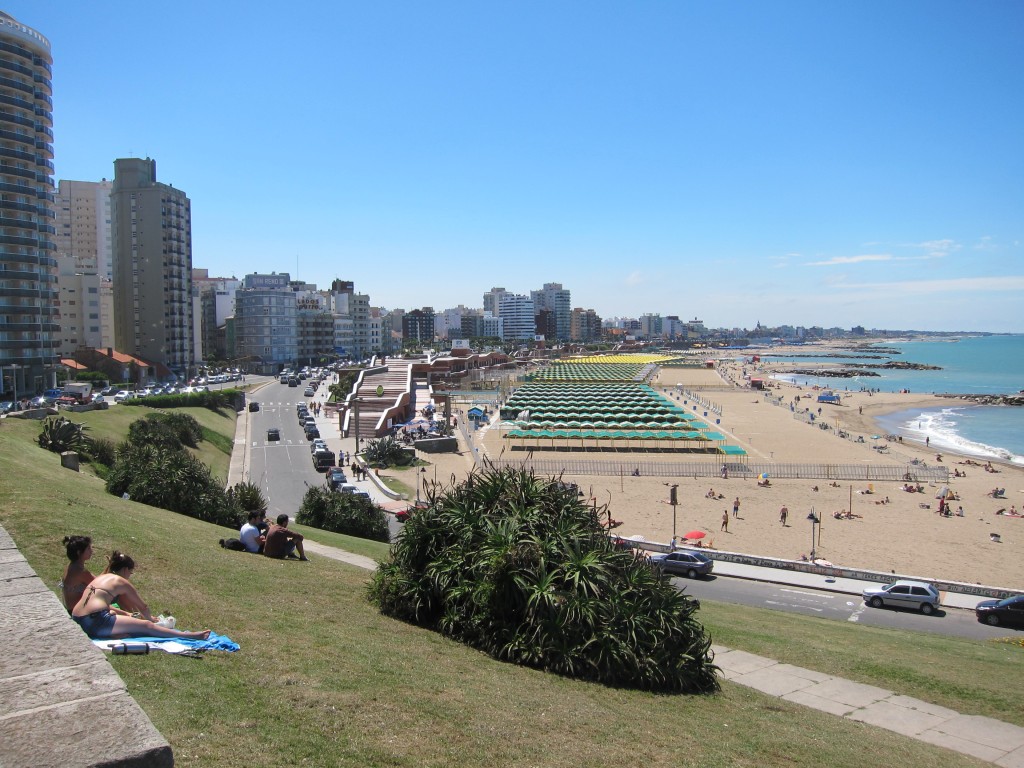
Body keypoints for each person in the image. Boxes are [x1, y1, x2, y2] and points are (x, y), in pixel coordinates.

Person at [71, 551, 211, 640]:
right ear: (125, 569)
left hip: (77, 618)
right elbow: (143, 607)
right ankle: (188, 636)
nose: (129, 576)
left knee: (114, 613)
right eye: (130, 572)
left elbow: (101, 605)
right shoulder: (121, 581)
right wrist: (150, 620)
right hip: (95, 621)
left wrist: (128, 615)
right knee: (146, 626)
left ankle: (112, 633)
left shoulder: (101, 577)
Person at [60, 535, 95, 612]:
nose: (91, 551)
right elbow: (100, 584)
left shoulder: (71, 566)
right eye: (88, 549)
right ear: (79, 552)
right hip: (77, 612)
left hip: (71, 608)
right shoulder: (80, 571)